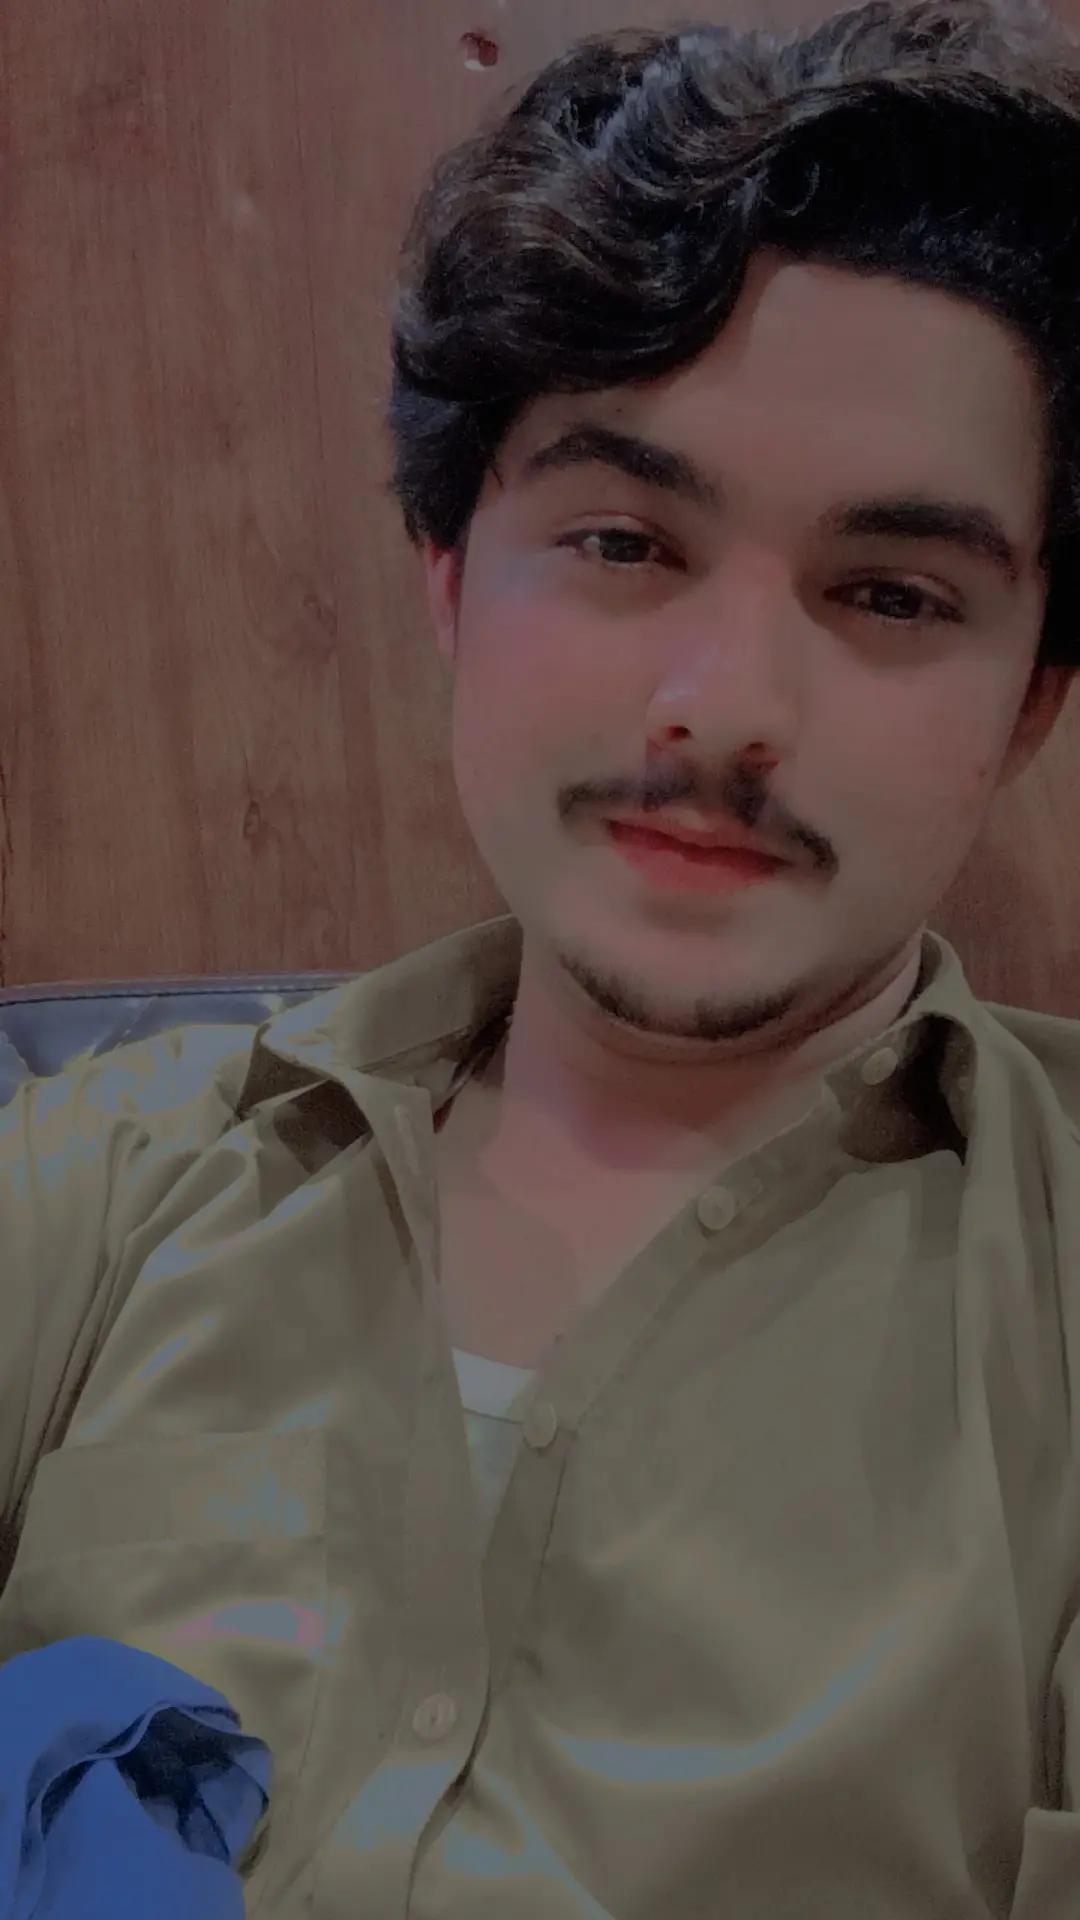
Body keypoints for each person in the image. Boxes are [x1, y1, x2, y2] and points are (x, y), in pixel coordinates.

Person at [4, 0, 1080, 1912]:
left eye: (893, 593)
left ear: (1030, 707)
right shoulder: (95, 1190)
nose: (727, 707)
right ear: (450, 579)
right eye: (623, 544)